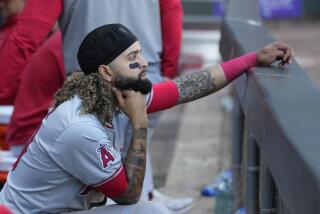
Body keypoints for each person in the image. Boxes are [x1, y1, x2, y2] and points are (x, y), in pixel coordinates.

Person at [0, 23, 293, 213]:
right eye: (132, 58)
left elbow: (187, 87)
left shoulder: (114, 93)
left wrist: (254, 58)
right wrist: (139, 122)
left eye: (140, 54)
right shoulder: (79, 126)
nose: (143, 63)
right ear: (105, 72)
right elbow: (128, 194)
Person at [0, 1, 188, 210]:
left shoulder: (70, 50)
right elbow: (172, 10)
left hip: (113, 82)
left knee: (133, 179)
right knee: (132, 189)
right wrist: (167, 70)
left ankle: (149, 194)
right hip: (65, 122)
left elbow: (26, 35)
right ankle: (148, 196)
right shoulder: (79, 109)